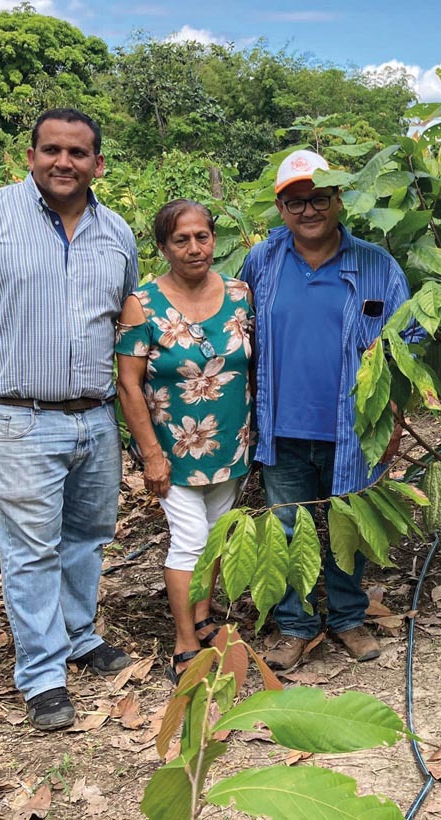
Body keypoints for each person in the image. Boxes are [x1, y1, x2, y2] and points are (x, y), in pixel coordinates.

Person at [0, 109, 138, 731]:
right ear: (30, 156)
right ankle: (42, 675)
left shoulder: (117, 232)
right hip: (19, 416)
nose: (65, 162)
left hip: (95, 416)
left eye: (78, 153)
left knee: (87, 536)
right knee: (31, 551)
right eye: (52, 150)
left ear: (98, 164)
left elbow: (124, 313)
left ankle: (79, 635)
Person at [240, 149, 414, 671]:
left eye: (319, 198)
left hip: (353, 426)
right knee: (287, 529)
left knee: (348, 528)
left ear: (339, 199)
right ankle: (294, 626)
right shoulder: (262, 261)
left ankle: (347, 618)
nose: (308, 210)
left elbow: (403, 345)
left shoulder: (377, 266)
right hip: (282, 425)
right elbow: (239, 332)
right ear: (280, 208)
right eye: (295, 202)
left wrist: (393, 418)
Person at [115, 199, 253, 682]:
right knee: (190, 539)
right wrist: (151, 455)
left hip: (229, 442)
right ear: (163, 247)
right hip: (172, 450)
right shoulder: (143, 303)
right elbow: (128, 383)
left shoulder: (240, 294)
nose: (194, 248)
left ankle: (203, 615)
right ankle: (185, 640)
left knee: (214, 535)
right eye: (181, 240)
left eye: (202, 237)